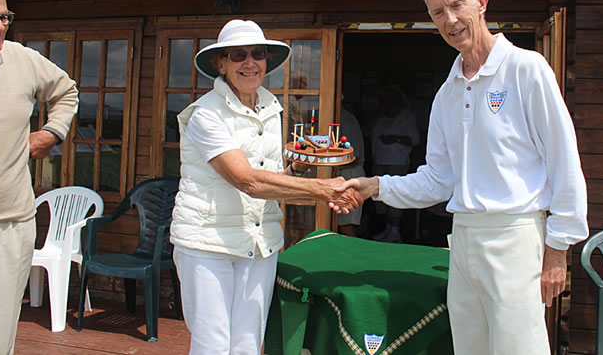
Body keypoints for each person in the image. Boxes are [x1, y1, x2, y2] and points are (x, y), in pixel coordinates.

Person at [336, 0, 588, 355]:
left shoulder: (527, 69)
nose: (450, 20)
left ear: (481, 2)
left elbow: (564, 162)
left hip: (516, 237)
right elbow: (437, 180)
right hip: (464, 240)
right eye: (438, 12)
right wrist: (375, 187)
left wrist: (559, 249)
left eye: (457, 5)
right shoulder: (446, 94)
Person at [169, 19, 362, 355]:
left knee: (248, 342)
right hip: (206, 243)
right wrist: (324, 190)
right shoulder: (204, 115)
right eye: (238, 55)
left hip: (259, 243)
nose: (250, 62)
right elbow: (246, 179)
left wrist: (297, 169)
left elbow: (267, 176)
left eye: (257, 54)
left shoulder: (271, 108)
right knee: (213, 345)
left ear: (266, 61)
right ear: (222, 63)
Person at [0, 0, 79, 355]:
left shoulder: (22, 59)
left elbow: (66, 91)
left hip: (4, 224)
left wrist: (52, 132)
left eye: (5, 17)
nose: (0, 26)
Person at [368, 85, 419, 242]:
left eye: (390, 98)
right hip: (379, 161)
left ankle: (395, 231)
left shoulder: (406, 116)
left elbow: (415, 140)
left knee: (396, 194)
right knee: (382, 197)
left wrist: (395, 138)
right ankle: (388, 229)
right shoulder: (380, 117)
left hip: (397, 162)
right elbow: (367, 130)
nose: (387, 102)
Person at [337, 105, 366, 237]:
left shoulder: (345, 119)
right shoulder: (342, 117)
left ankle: (357, 257)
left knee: (346, 226)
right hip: (344, 173)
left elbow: (353, 155)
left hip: (349, 174)